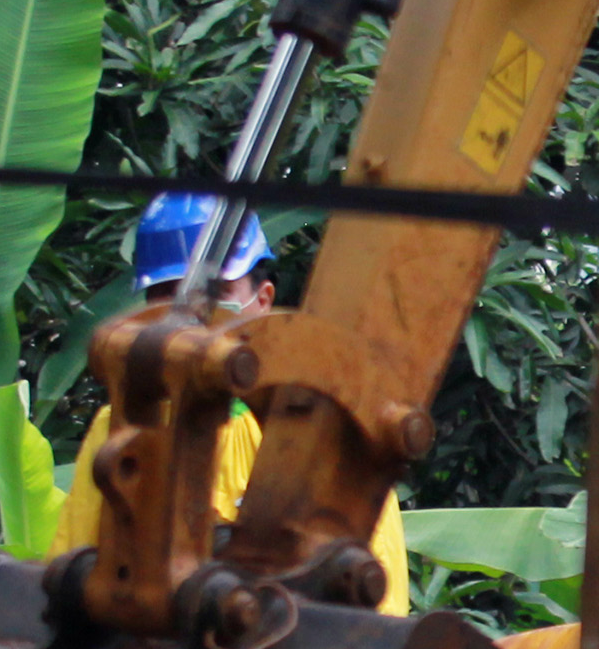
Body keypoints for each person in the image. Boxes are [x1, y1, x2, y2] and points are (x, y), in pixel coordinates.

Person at [58, 191, 409, 606]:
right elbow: (69, 570)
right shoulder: (124, 426)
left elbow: (375, 608)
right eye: (169, 293)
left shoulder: (321, 435)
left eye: (215, 290)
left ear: (262, 302)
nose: (192, 311)